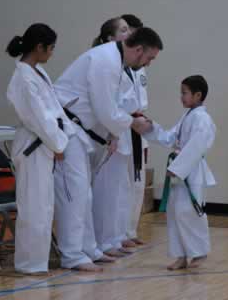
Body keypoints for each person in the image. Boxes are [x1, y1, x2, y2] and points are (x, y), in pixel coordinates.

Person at [53, 26, 162, 271]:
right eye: (150, 58)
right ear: (138, 50)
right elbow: (105, 109)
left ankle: (89, 248)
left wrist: (114, 132)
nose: (149, 63)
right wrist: (131, 122)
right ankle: (72, 255)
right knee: (76, 194)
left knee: (85, 195)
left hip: (81, 131)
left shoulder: (115, 61)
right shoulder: (105, 61)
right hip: (67, 130)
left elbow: (109, 107)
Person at [6, 23, 75, 275]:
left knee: (44, 207)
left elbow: (55, 108)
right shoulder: (23, 78)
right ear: (39, 47)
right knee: (33, 207)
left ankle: (38, 262)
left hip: (45, 143)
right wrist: (58, 143)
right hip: (33, 146)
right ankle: (29, 264)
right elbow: (38, 117)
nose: (52, 53)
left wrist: (66, 136)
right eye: (51, 48)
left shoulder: (38, 72)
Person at [144, 75, 216, 270]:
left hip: (192, 171)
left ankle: (199, 253)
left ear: (198, 95)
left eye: (184, 93)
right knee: (175, 212)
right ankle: (181, 255)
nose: (181, 97)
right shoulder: (188, 116)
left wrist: (177, 169)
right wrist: (151, 128)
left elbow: (196, 146)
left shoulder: (202, 118)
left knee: (189, 211)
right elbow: (170, 137)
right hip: (180, 171)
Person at [90, 16, 139, 257]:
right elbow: (106, 104)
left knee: (119, 190)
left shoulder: (123, 64)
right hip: (107, 132)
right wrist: (113, 132)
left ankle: (115, 238)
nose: (129, 33)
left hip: (122, 128)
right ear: (110, 38)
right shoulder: (104, 62)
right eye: (123, 30)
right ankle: (103, 242)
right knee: (106, 190)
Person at [120, 14, 150, 247]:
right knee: (121, 183)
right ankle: (118, 233)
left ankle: (130, 230)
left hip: (138, 124)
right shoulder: (115, 63)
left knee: (137, 182)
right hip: (121, 125)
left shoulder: (139, 67)